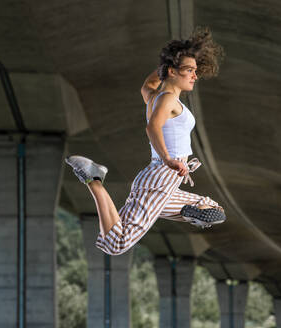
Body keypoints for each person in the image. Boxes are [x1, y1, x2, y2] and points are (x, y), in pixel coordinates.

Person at [65, 27, 226, 256]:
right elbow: (152, 127)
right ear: (173, 72)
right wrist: (168, 159)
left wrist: (169, 61)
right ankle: (94, 178)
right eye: (189, 70)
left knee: (213, 210)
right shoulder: (168, 99)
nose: (194, 75)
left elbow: (147, 85)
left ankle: (189, 210)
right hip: (161, 176)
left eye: (195, 70)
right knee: (116, 244)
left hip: (165, 181)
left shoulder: (153, 95)